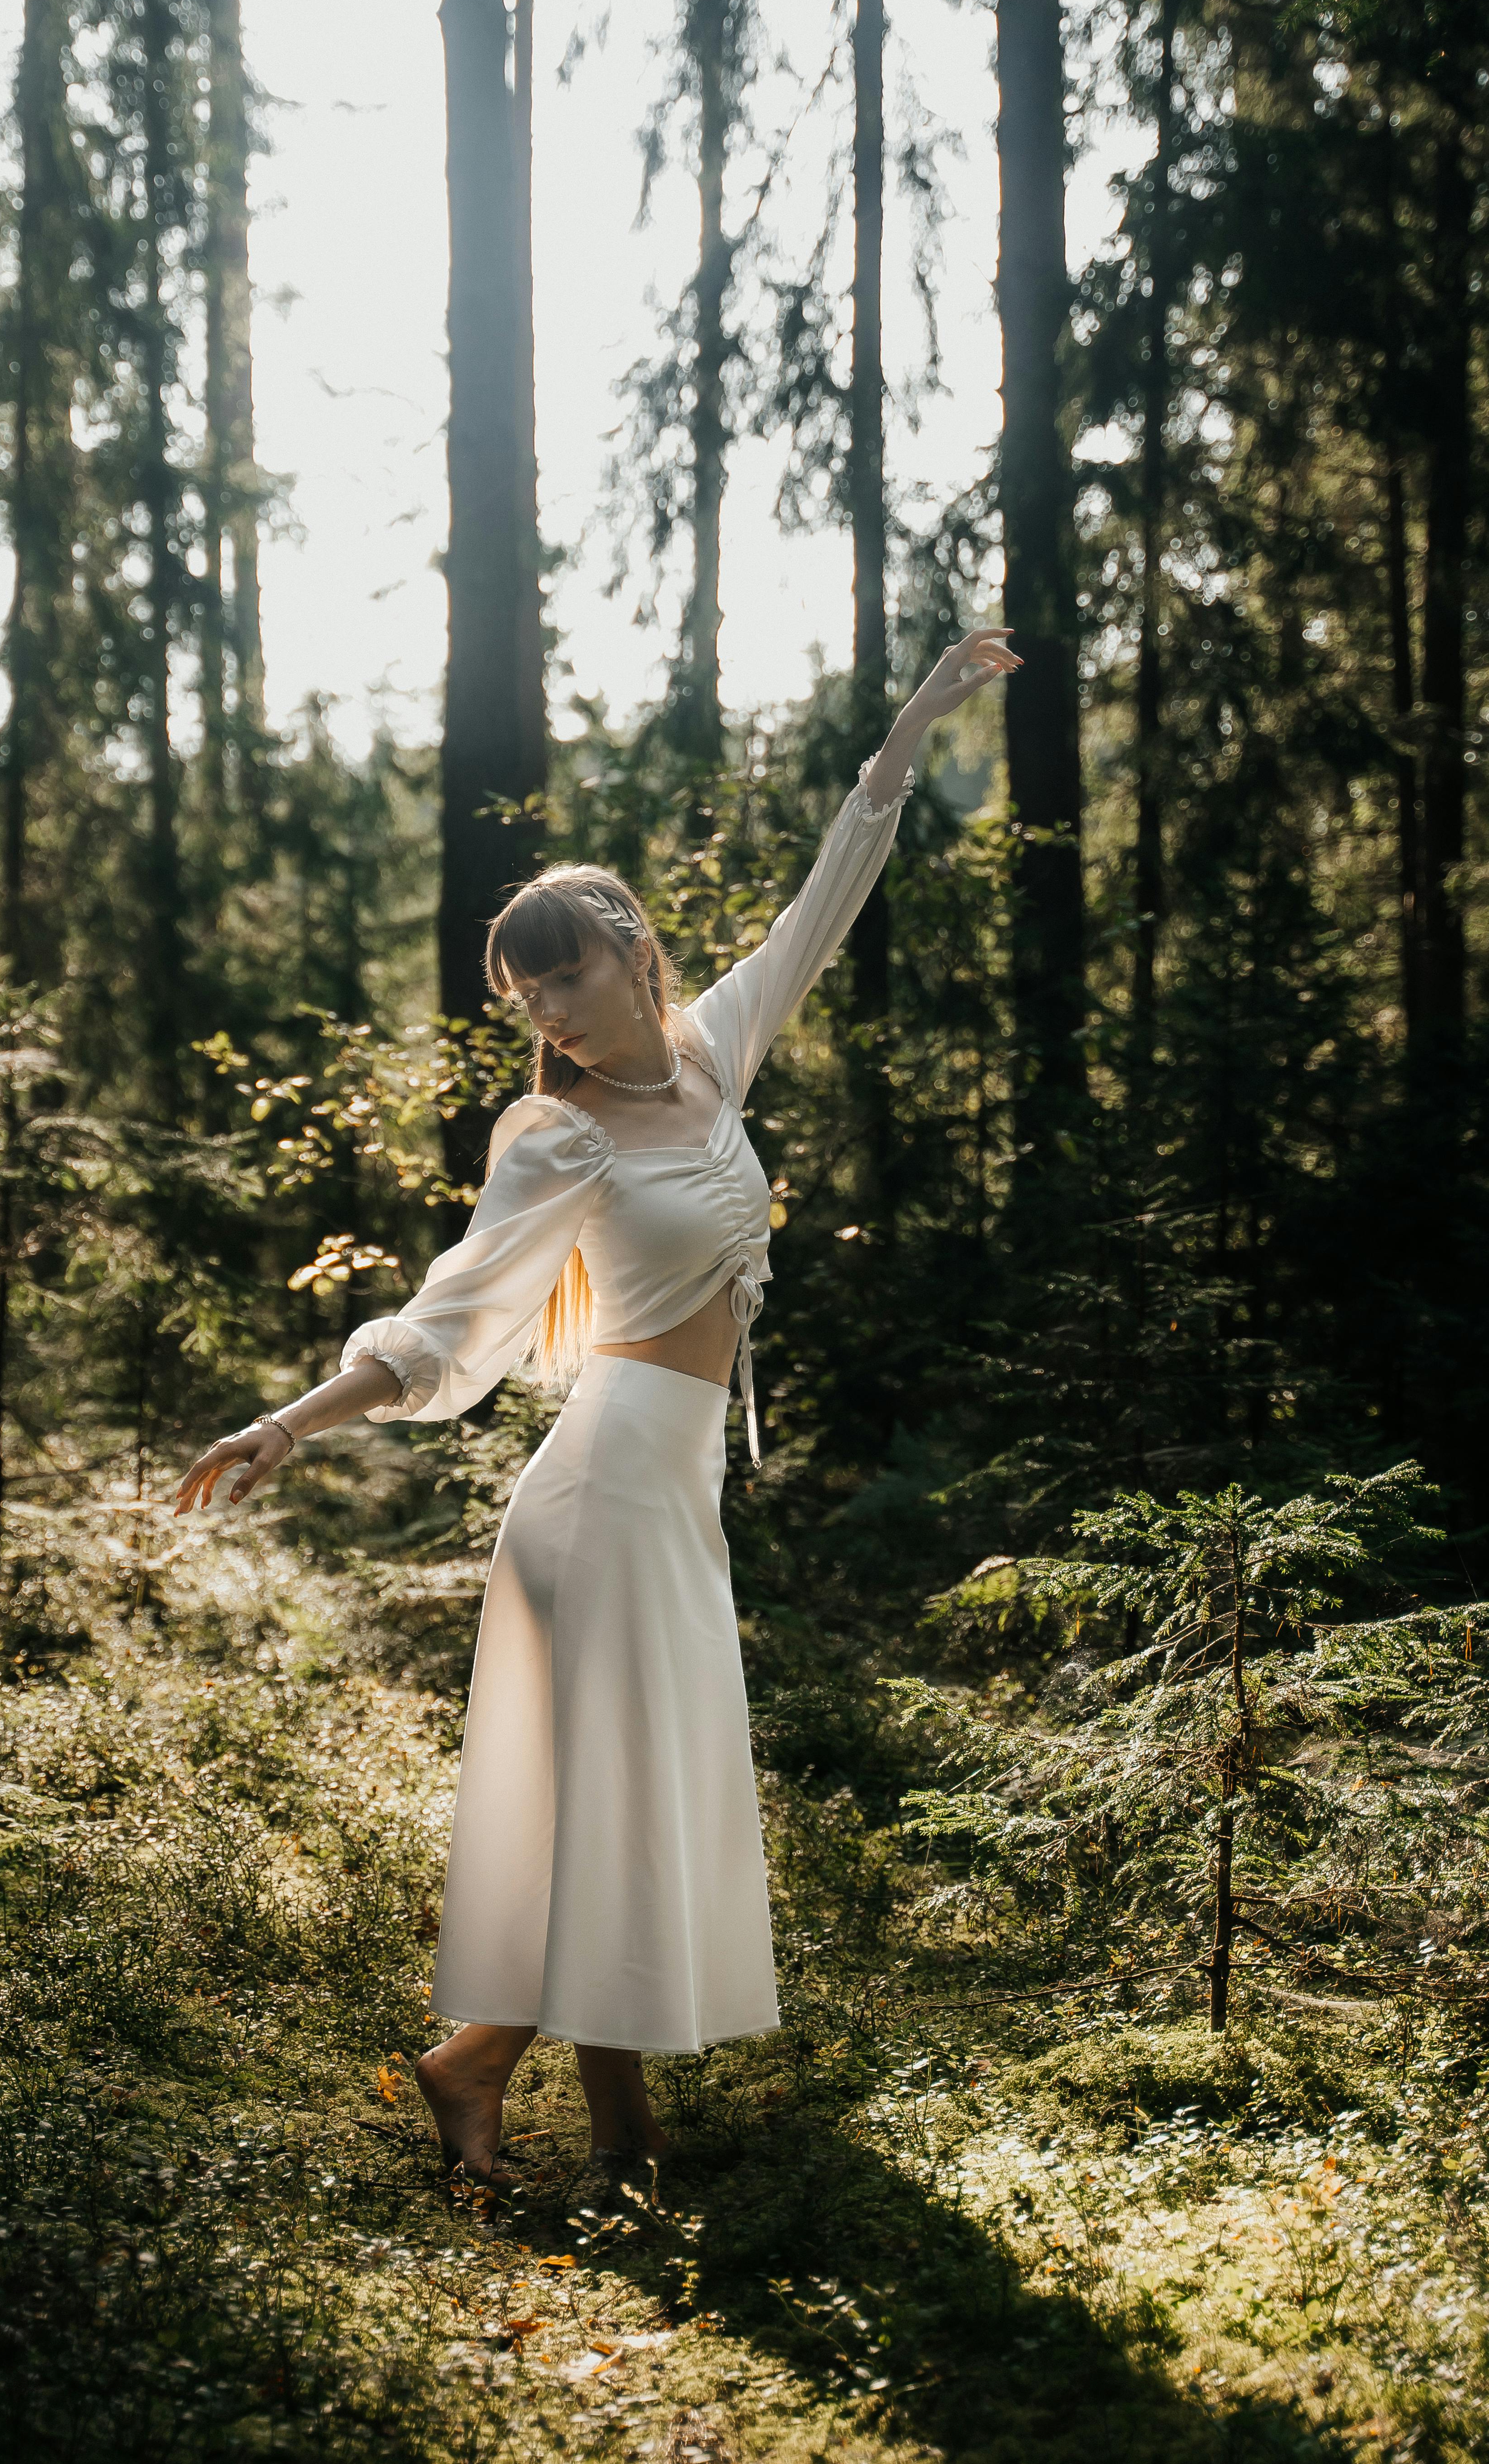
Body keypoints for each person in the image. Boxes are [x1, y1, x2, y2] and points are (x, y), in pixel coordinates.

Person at [175, 627, 1019, 2187]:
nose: (548, 1009)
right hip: (602, 1489)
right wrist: (289, 1422)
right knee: (622, 1798)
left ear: (632, 949)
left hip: (666, 1488)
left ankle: (537, 2090)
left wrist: (917, 716)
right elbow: (450, 1319)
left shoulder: (716, 1052)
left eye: (563, 972)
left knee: (625, 1799)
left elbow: (837, 879)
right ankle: (553, 2097)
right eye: (525, 990)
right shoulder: (554, 1138)